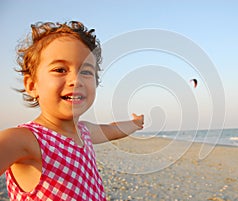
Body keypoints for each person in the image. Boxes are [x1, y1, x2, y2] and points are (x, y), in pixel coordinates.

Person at [0, 21, 144, 200]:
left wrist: (136, 123)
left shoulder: (85, 131)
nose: (76, 80)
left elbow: (114, 129)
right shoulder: (24, 139)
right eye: (60, 69)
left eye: (86, 72)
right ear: (32, 85)